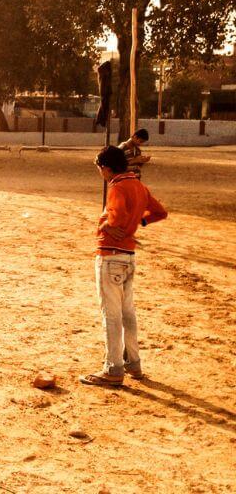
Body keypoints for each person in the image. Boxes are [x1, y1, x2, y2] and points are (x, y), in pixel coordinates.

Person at [80, 145, 167, 387]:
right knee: (128, 313)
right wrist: (140, 220)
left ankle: (113, 368)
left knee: (112, 314)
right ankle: (133, 363)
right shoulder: (138, 185)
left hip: (110, 256)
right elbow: (161, 212)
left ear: (106, 168)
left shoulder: (117, 186)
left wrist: (106, 223)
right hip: (129, 255)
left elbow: (116, 217)